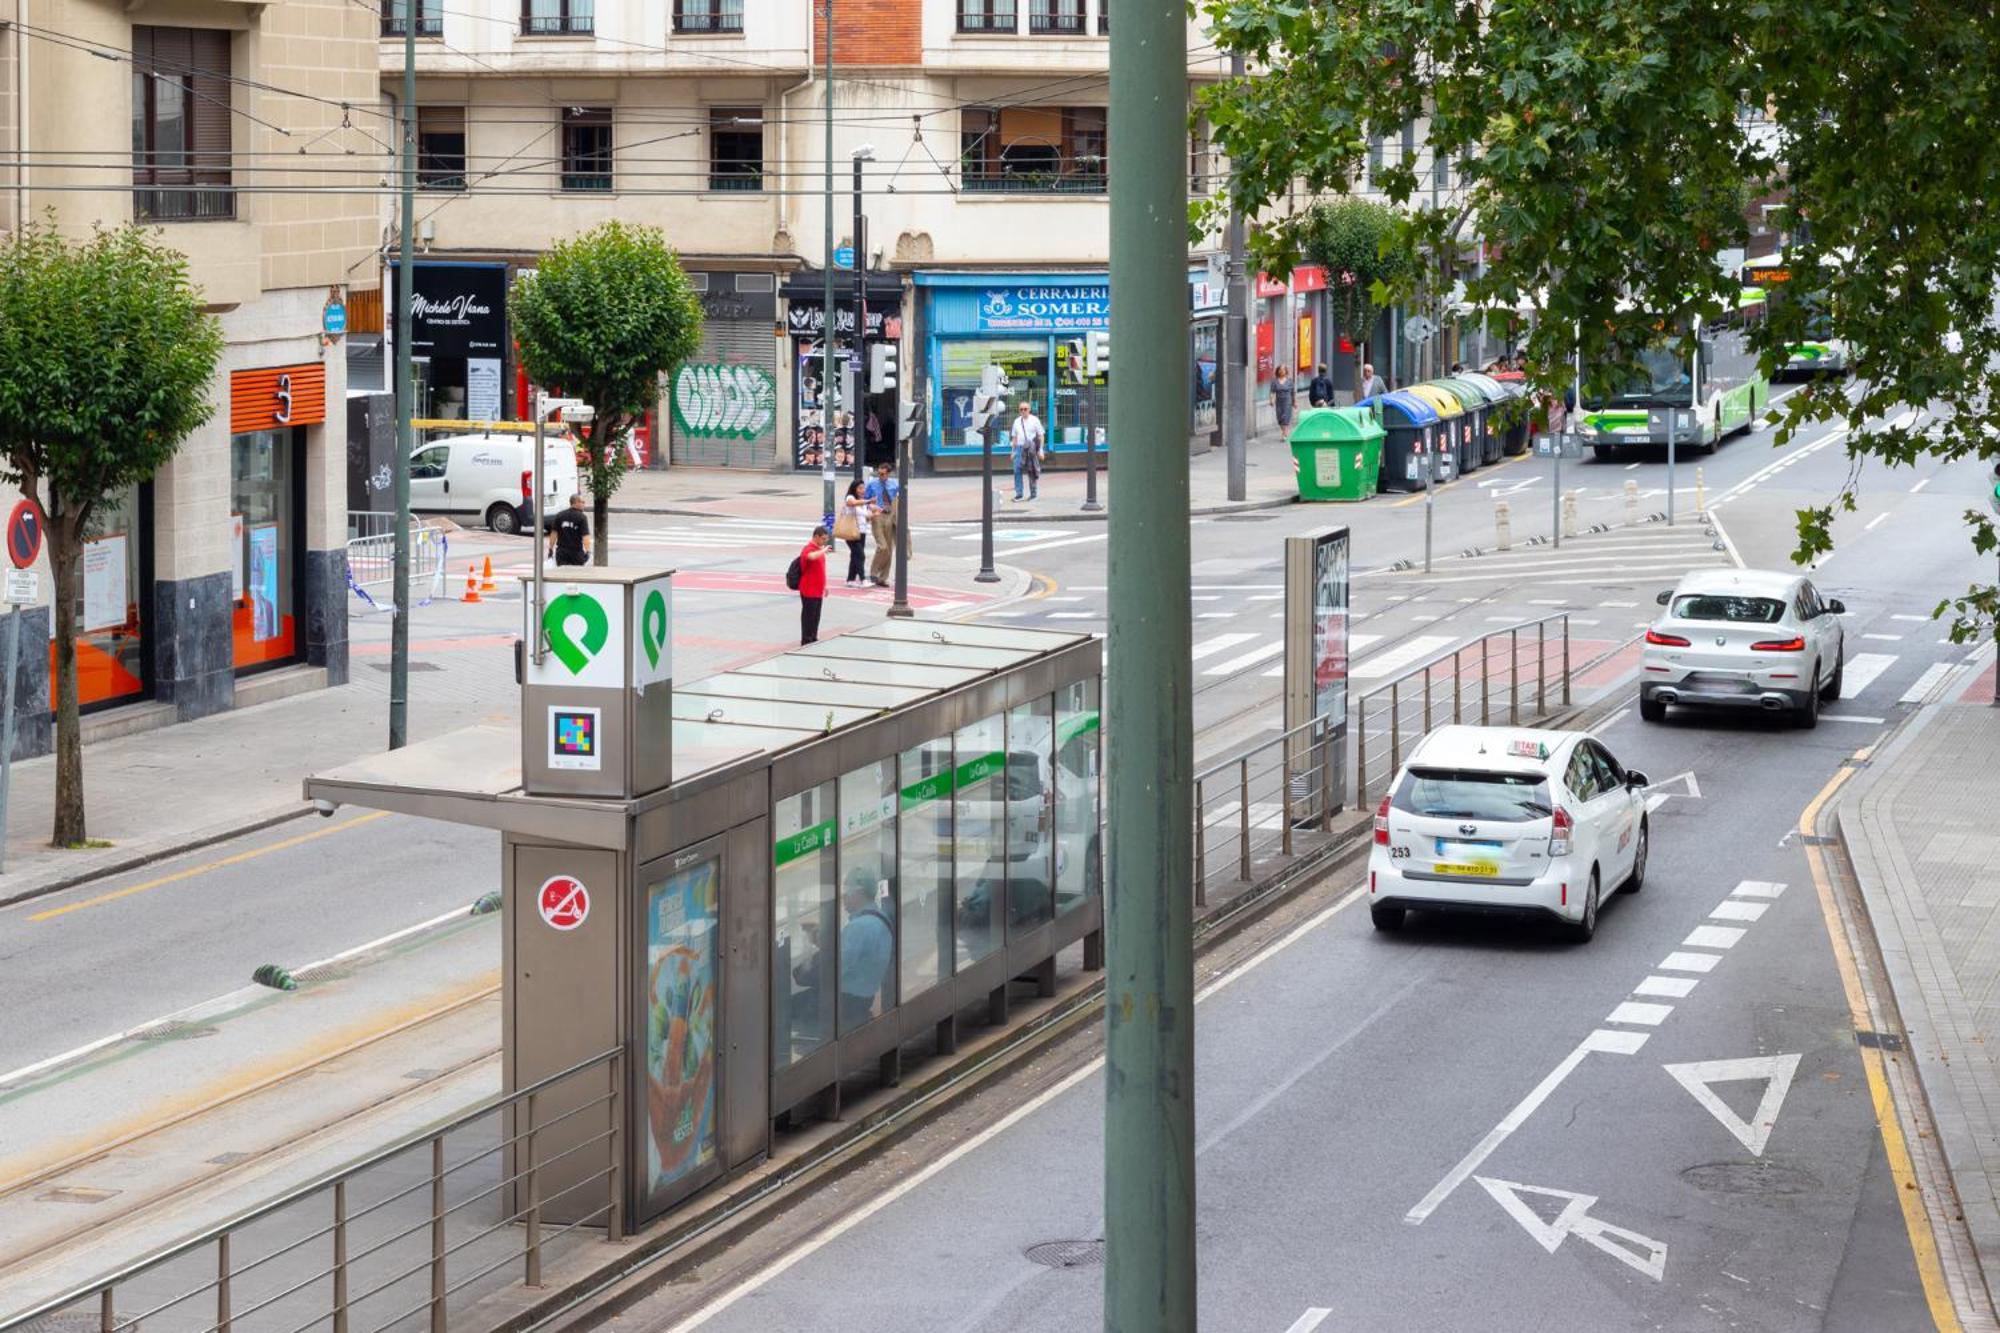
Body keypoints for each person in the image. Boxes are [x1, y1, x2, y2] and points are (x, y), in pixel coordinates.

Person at [836, 870, 894, 1031]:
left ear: (859, 894)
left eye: (846, 893)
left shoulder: (858, 927)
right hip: (866, 996)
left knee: (790, 1006)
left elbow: (837, 967)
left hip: (846, 999)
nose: (843, 898)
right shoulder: (881, 918)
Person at [864, 461, 900, 587]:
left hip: (889, 516)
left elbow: (900, 499)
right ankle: (873, 573)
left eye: (883, 474)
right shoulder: (872, 484)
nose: (880, 476)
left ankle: (883, 578)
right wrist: (870, 506)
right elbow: (865, 500)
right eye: (879, 473)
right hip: (877, 516)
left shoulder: (894, 484)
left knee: (889, 549)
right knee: (882, 546)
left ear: (888, 474)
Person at [796, 526, 830, 644]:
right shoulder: (809, 548)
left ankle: (813, 636)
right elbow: (810, 557)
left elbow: (821, 569)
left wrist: (824, 585)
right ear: (816, 537)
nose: (825, 542)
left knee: (816, 616)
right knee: (809, 615)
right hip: (809, 589)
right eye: (823, 539)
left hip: (818, 589)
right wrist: (823, 550)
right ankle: (806, 639)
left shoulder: (818, 549)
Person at [1008, 400, 1045, 501]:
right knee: (1017, 470)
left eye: (1025, 409)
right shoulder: (1017, 421)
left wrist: (1040, 450)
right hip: (1019, 448)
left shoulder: (1035, 420)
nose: (1023, 411)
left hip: (1030, 449)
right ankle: (1019, 494)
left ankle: (1033, 494)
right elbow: (1014, 438)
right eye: (1021, 409)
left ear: (1029, 410)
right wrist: (1013, 451)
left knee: (1031, 471)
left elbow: (1041, 435)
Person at [545, 494, 590, 567]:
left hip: (561, 552)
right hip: (576, 553)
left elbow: (554, 534)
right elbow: (585, 536)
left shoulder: (560, 515)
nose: (584, 504)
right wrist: (588, 551)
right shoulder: (582, 517)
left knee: (562, 574)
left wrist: (550, 549)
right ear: (576, 502)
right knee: (577, 575)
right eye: (583, 502)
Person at [837, 480, 869, 585]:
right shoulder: (850, 497)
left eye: (863, 488)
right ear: (854, 488)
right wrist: (868, 501)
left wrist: (876, 513)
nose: (862, 490)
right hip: (851, 531)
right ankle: (863, 579)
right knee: (860, 555)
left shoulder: (862, 501)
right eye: (860, 488)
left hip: (862, 532)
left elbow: (866, 515)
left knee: (855, 556)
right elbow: (852, 503)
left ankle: (850, 580)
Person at [1272, 364, 1297, 431]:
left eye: (1283, 370)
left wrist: (1294, 402)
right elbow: (1272, 391)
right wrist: (1271, 400)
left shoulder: (1289, 381)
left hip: (1287, 401)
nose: (1282, 371)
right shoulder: (1275, 381)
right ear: (1278, 371)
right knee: (1280, 418)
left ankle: (1285, 433)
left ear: (1286, 371)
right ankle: (1284, 431)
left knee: (1285, 417)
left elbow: (1293, 392)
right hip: (1279, 402)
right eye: (1280, 370)